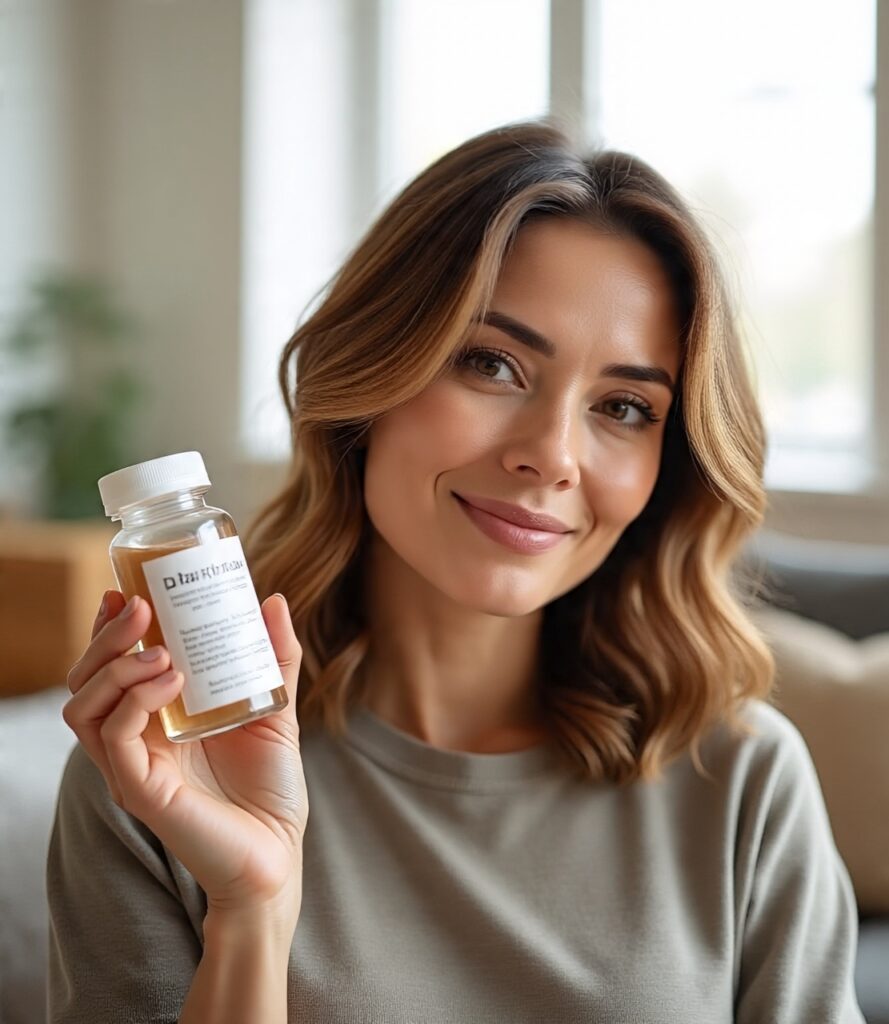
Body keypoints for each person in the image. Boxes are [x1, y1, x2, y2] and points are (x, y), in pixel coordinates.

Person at [46, 119, 865, 1023]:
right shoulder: (162, 773)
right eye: (492, 363)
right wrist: (253, 910)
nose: (552, 456)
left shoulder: (740, 779)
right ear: (370, 375)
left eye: (625, 406)